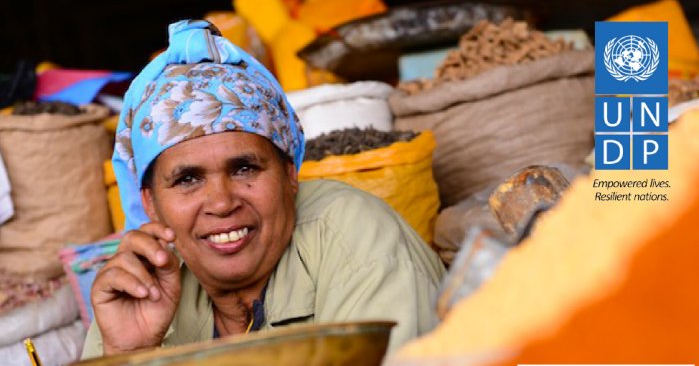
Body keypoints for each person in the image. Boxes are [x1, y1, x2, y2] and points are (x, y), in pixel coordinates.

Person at [81, 19, 445, 359]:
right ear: (152, 205)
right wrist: (126, 354)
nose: (222, 203)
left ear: (290, 174)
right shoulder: (140, 283)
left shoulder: (359, 240)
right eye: (188, 179)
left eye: (244, 168)